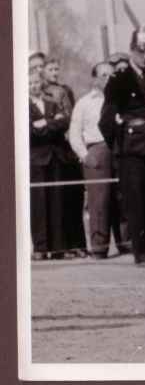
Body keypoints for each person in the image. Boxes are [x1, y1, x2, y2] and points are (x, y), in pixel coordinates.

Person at [99, 26, 145, 266]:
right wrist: (119, 146)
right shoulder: (119, 80)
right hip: (132, 149)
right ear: (131, 50)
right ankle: (142, 255)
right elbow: (106, 120)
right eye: (140, 50)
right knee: (137, 202)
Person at [69, 62, 129, 259]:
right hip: (96, 150)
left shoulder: (122, 99)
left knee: (123, 197)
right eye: (103, 75)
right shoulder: (84, 103)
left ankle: (126, 243)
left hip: (120, 150)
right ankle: (99, 247)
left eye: (111, 75)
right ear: (94, 78)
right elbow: (74, 133)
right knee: (99, 202)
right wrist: (85, 156)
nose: (108, 79)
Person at [29, 69, 70, 260]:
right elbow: (31, 132)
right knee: (38, 203)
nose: (33, 86)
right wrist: (52, 123)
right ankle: (40, 247)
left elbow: (65, 123)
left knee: (57, 201)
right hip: (37, 160)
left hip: (55, 157)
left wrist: (44, 123)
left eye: (36, 82)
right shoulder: (22, 107)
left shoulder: (51, 103)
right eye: (29, 83)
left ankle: (58, 247)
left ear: (42, 83)